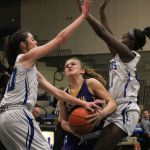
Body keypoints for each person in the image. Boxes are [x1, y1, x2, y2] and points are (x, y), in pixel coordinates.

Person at [0, 1, 100, 149]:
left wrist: (84, 103)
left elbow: (59, 93)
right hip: (18, 115)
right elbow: (61, 39)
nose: (36, 42)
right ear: (23, 45)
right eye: (32, 39)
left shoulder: (27, 69)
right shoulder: (24, 58)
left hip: (5, 118)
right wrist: (83, 16)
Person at [75, 0, 150, 150]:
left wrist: (86, 14)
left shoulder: (129, 55)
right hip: (114, 108)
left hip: (127, 109)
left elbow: (103, 33)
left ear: (131, 42)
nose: (122, 35)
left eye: (126, 35)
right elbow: (107, 32)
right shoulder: (119, 54)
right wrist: (102, 11)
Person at [59, 57, 117, 150]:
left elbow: (112, 102)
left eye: (73, 64)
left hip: (96, 138)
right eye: (66, 66)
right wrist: (73, 129)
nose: (69, 66)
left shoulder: (91, 83)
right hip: (73, 140)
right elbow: (62, 121)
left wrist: (103, 113)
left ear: (82, 71)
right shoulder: (63, 94)